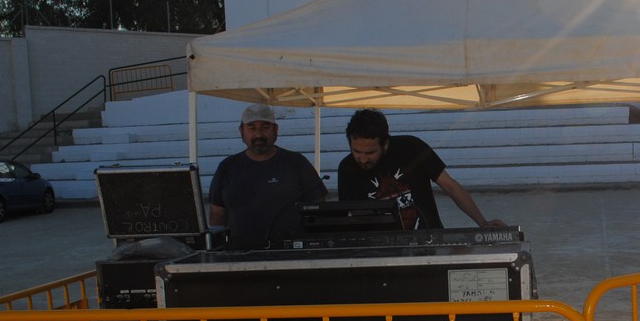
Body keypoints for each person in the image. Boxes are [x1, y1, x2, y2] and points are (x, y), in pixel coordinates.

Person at [337, 109, 505, 230]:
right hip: (382, 252)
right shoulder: (347, 168)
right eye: (356, 151)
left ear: (385, 144)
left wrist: (482, 222)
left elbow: (450, 186)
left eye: (370, 153)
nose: (363, 159)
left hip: (430, 241)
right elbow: (349, 218)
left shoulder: (412, 148)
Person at [209, 104, 328, 250]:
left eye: (265, 127)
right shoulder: (226, 167)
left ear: (276, 130)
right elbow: (217, 216)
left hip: (290, 255)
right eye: (252, 128)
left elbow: (319, 210)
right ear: (241, 131)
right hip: (240, 256)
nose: (258, 135)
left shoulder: (297, 163)